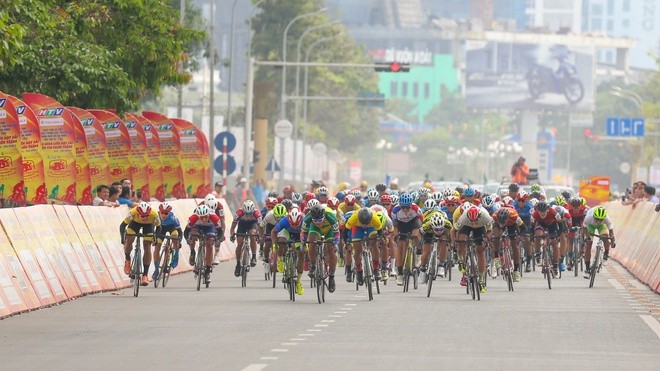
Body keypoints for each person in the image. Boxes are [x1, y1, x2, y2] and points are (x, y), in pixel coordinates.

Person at [120, 202, 161, 286]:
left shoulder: (154, 214)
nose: (145, 218)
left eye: (147, 216)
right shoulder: (133, 212)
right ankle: (128, 259)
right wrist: (122, 238)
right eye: (143, 216)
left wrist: (156, 238)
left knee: (147, 246)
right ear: (138, 213)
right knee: (129, 240)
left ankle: (145, 275)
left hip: (149, 226)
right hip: (135, 223)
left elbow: (159, 227)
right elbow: (122, 225)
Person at [301, 204, 340, 293]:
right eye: (315, 220)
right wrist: (303, 242)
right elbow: (303, 233)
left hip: (329, 230)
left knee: (330, 249)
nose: (318, 223)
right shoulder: (308, 218)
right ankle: (313, 265)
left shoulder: (331, 216)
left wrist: (335, 243)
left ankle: (331, 276)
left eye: (320, 220)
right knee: (312, 242)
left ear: (324, 216)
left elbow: (337, 234)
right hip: (315, 229)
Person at [152, 202, 183, 280]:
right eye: (162, 212)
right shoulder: (156, 216)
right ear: (159, 211)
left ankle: (176, 255)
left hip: (171, 228)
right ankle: (156, 270)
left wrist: (179, 241)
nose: (164, 215)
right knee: (157, 247)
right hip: (161, 229)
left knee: (175, 237)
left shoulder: (173, 219)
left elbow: (180, 231)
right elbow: (152, 229)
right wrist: (153, 238)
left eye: (166, 213)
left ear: (169, 212)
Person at [582, 206, 615, 278]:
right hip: (590, 225)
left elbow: (611, 231)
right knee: (588, 244)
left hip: (602, 226)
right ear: (594, 216)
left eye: (600, 220)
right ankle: (587, 269)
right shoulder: (589, 217)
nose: (598, 221)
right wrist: (587, 236)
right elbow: (584, 229)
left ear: (603, 218)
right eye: (597, 219)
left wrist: (613, 240)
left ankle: (606, 254)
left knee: (606, 237)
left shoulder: (606, 219)